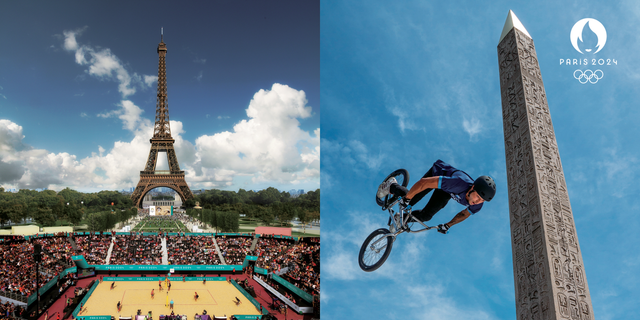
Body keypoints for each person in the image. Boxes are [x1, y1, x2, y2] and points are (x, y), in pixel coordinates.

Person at [378, 159, 496, 234]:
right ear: (472, 188)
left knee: (427, 215)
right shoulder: (458, 183)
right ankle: (392, 185)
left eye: (482, 200)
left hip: (447, 191)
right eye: (478, 197)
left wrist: (448, 225)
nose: (478, 201)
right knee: (411, 199)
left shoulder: (478, 205)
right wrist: (407, 199)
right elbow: (424, 183)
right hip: (438, 174)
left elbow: (464, 214)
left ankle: (401, 219)